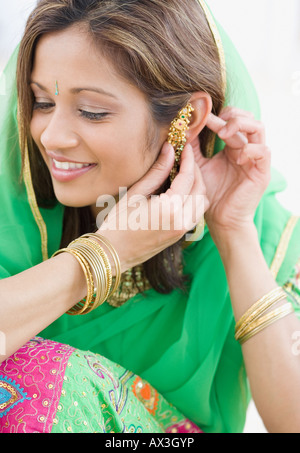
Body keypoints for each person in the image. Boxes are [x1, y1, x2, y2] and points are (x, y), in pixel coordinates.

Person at [0, 0, 299, 434]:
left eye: (91, 112)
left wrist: (234, 231)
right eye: (42, 102)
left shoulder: (261, 227)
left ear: (186, 118)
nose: (52, 135)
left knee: (35, 383)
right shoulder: (16, 205)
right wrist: (108, 253)